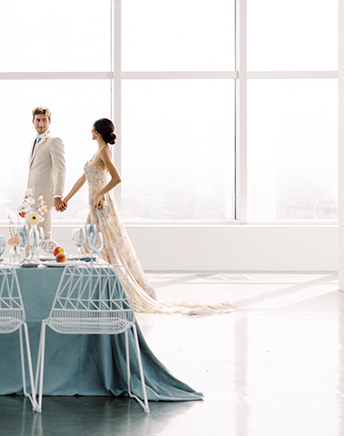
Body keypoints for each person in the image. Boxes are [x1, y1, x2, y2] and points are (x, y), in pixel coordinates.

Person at [61, 118, 235, 315]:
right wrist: (66, 199)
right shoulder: (96, 152)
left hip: (102, 205)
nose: (90, 131)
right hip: (95, 204)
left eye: (92, 128)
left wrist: (100, 194)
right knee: (92, 242)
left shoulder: (103, 152)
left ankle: (112, 292)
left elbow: (117, 178)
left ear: (97, 132)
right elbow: (82, 179)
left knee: (105, 244)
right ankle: (101, 292)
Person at [25, 106, 66, 251]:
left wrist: (57, 195)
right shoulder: (33, 143)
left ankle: (64, 260)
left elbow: (60, 169)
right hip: (31, 200)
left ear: (49, 121)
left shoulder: (54, 141)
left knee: (44, 238)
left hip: (44, 200)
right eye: (38, 120)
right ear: (33, 121)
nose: (41, 124)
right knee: (29, 239)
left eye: (44, 120)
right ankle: (27, 270)